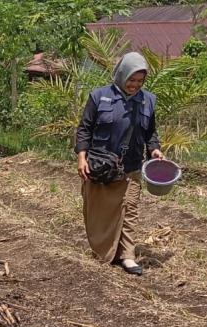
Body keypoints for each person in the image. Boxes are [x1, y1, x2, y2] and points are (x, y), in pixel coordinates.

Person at [75, 52, 163, 276]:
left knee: (129, 209)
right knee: (99, 213)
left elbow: (150, 132)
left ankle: (128, 255)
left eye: (140, 81)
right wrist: (82, 157)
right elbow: (85, 129)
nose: (135, 85)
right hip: (101, 166)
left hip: (131, 167)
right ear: (121, 75)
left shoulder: (148, 100)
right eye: (131, 80)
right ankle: (106, 250)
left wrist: (154, 149)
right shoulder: (99, 97)